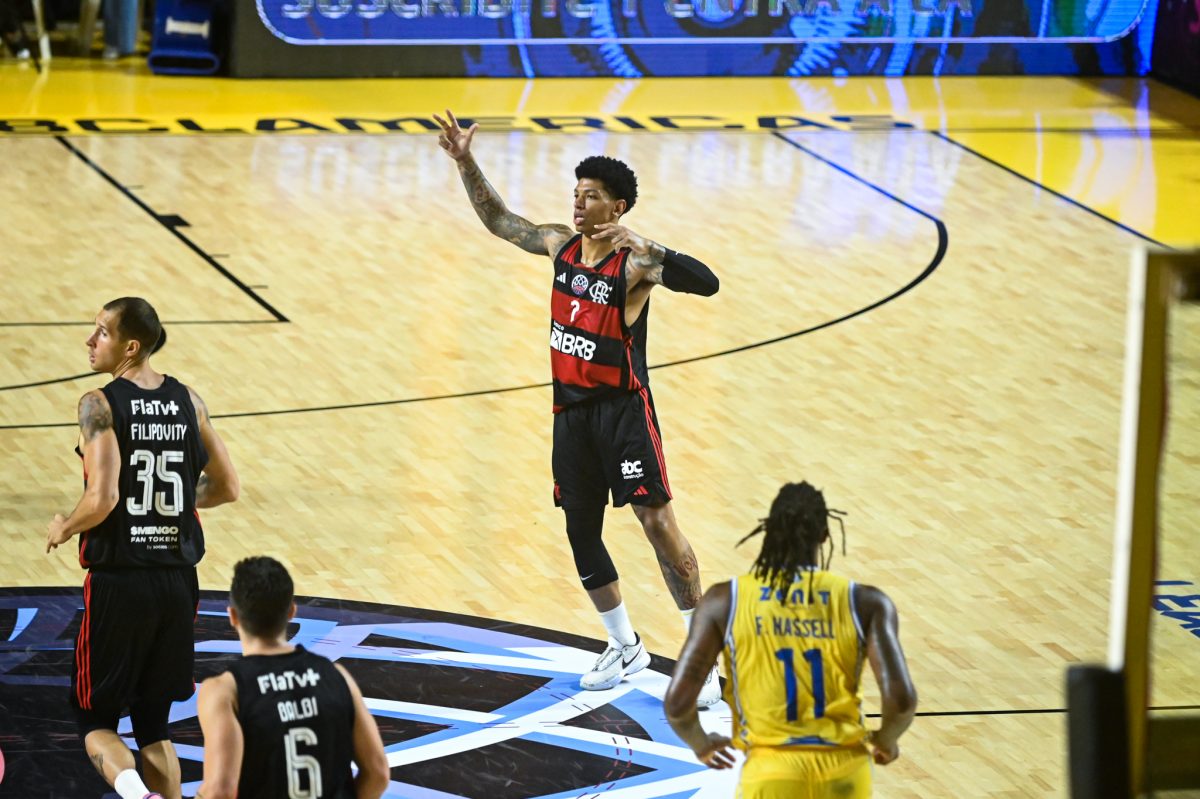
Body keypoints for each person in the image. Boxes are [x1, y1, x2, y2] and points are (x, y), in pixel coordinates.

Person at [435, 109, 723, 702]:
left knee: (657, 524)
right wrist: (465, 162)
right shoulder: (559, 245)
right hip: (570, 414)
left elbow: (707, 282)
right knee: (579, 530)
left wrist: (655, 245)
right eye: (576, 194)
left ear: (617, 208)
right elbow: (499, 221)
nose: (578, 204)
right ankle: (624, 645)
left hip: (623, 411)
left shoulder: (635, 263)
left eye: (590, 196)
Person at [46, 297, 240, 799]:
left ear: (130, 347)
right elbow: (227, 487)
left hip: (120, 583)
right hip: (178, 583)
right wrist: (168, 504)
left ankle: (139, 797)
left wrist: (65, 526)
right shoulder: (189, 400)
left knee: (94, 720)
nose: (91, 341)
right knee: (154, 724)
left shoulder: (99, 403)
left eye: (102, 332)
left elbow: (103, 498)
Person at [664, 482, 918, 798]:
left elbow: (677, 706)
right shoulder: (866, 603)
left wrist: (702, 744)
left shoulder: (724, 601)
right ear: (824, 536)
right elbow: (901, 700)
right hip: (845, 772)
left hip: (771, 773)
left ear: (769, 531)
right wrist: (886, 741)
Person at [195, 556, 389, 799]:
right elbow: (378, 773)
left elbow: (219, 792)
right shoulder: (337, 676)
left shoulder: (224, 690)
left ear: (233, 616)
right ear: (292, 612)